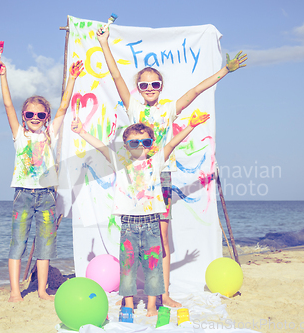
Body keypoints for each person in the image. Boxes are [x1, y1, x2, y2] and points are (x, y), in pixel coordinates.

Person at [96, 25, 247, 307]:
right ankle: (128, 293)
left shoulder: (167, 110)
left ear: (161, 87)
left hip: (161, 176)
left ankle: (163, 293)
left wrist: (224, 71)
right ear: (138, 89)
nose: (150, 88)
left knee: (161, 236)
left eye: (155, 84)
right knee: (131, 236)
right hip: (133, 180)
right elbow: (116, 75)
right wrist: (105, 43)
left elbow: (194, 91)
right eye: (144, 85)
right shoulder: (133, 108)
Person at [71, 110, 210, 316]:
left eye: (145, 142)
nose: (140, 147)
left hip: (152, 222)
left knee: (153, 267)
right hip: (128, 224)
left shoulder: (156, 162)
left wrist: (191, 125)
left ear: (152, 144)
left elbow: (172, 144)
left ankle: (152, 306)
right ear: (126, 146)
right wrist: (82, 131)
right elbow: (101, 148)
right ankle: (128, 303)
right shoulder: (120, 162)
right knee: (128, 268)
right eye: (134, 143)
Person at [0, 58, 83, 302]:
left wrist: (73, 78)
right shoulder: (19, 135)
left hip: (47, 196)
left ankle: (42, 290)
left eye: (40, 114)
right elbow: (7, 105)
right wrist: (3, 76)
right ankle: (15, 291)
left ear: (46, 117)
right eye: (30, 113)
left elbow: (64, 106)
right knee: (18, 243)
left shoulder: (50, 134)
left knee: (45, 246)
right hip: (23, 195)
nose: (35, 117)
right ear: (24, 116)